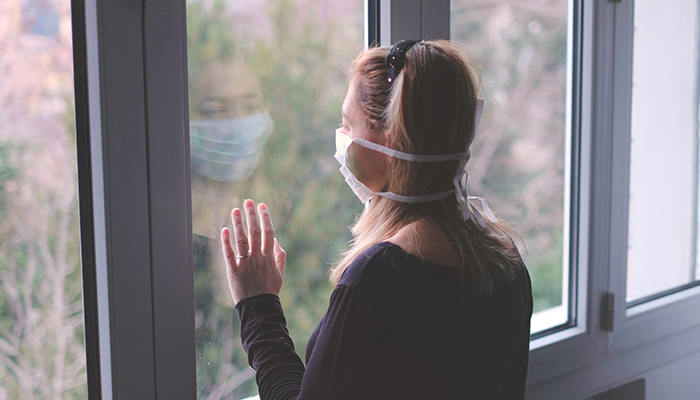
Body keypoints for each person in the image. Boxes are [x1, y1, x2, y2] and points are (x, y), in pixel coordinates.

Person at [220, 39, 533, 399]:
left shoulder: (380, 277)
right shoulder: (504, 259)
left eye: (347, 124)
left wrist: (257, 305)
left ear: (390, 140)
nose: (341, 139)